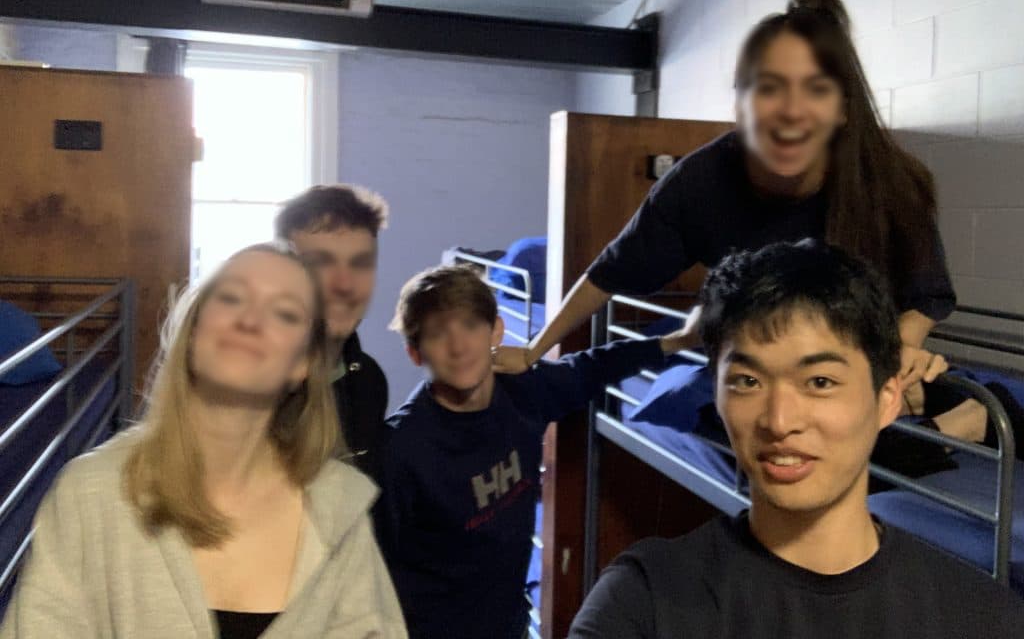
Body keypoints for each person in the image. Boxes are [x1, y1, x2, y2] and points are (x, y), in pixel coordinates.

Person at [495, 0, 1020, 458]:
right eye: (770, 90)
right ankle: (945, 428)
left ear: (841, 110)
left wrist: (895, 358)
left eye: (814, 91)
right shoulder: (701, 182)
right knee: (732, 422)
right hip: (763, 355)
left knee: (847, 425)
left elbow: (926, 295)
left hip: (852, 352)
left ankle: (940, 414)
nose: (790, 113)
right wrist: (536, 348)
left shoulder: (889, 181)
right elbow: (610, 272)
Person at [569, 240, 1024, 639]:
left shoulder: (984, 618)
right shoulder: (643, 602)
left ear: (887, 400)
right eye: (747, 381)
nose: (779, 421)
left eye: (820, 382)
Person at [0, 243, 406, 639]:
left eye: (285, 313)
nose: (250, 320)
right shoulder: (91, 493)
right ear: (193, 334)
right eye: (231, 298)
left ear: (303, 364)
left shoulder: (339, 504)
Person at [376, 265, 694, 639]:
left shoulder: (523, 392)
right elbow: (369, 572)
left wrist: (675, 342)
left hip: (510, 626)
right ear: (415, 353)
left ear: (496, 330)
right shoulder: (400, 450)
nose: (458, 347)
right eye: (437, 334)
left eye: (470, 326)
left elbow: (592, 368)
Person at [275, 184, 390, 479]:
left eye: (360, 263)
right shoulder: (248, 387)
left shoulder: (369, 381)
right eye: (321, 262)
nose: (345, 284)